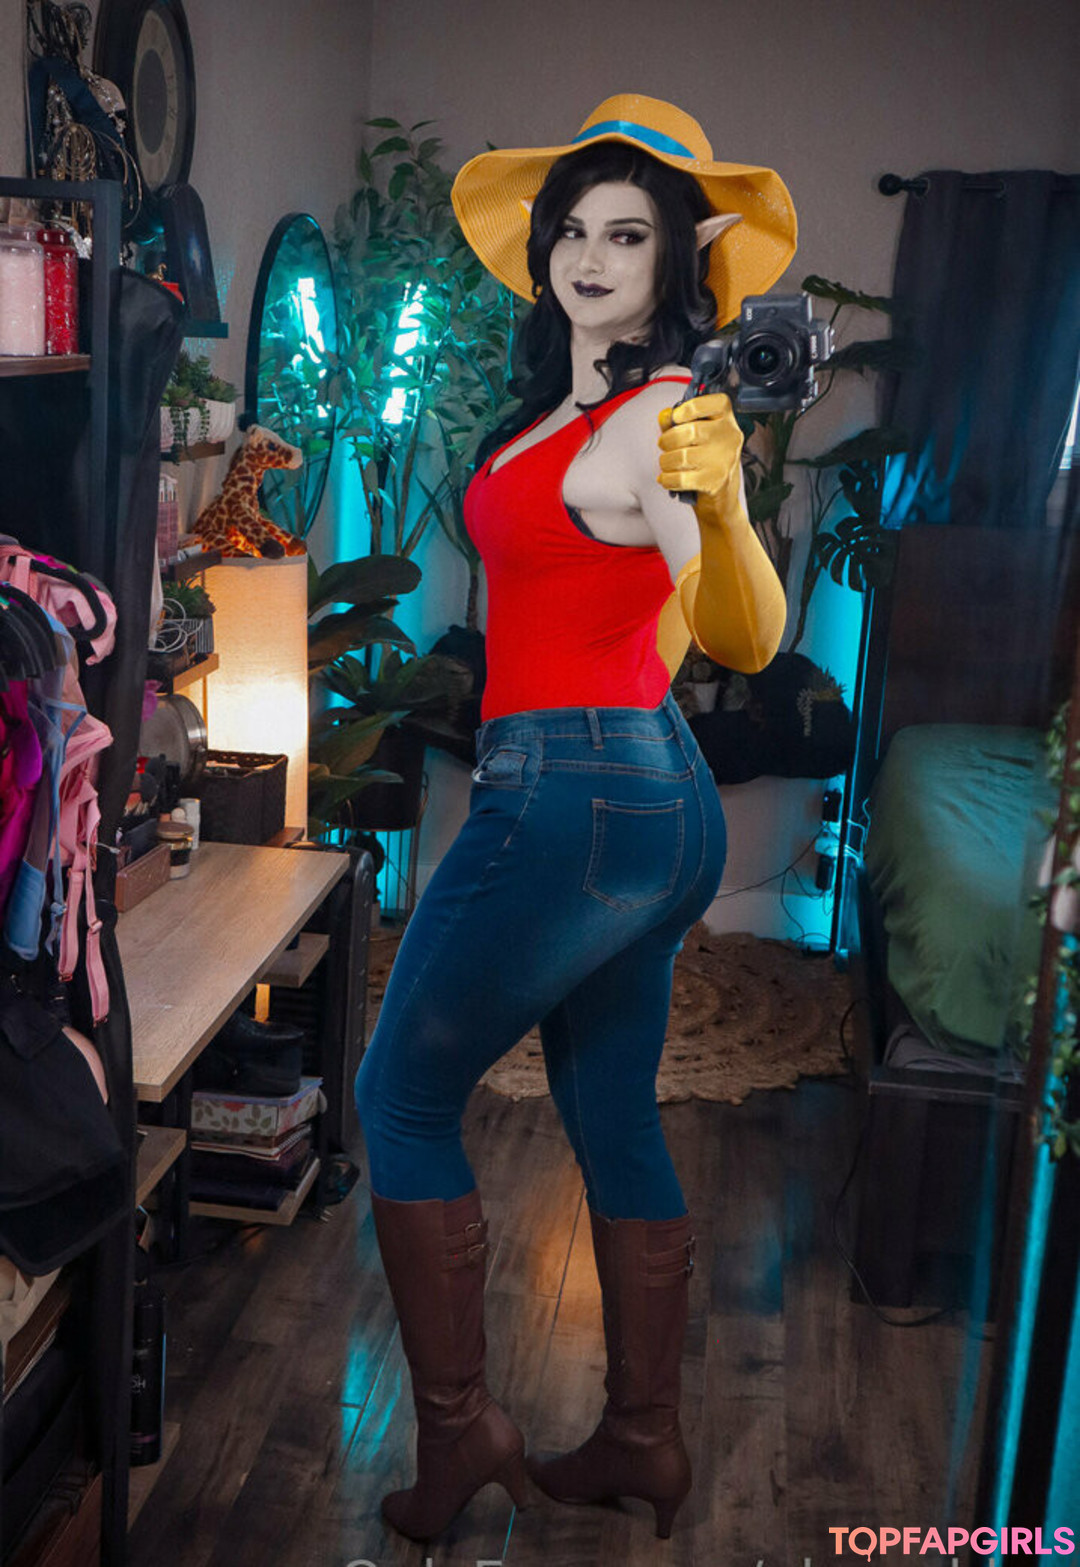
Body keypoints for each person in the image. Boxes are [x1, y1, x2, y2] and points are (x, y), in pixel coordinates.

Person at [354, 92, 796, 1543]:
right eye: (573, 232)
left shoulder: (666, 416)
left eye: (630, 235)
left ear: (680, 260)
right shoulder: (566, 407)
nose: (590, 258)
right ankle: (644, 1444)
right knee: (610, 1108)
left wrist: (720, 507)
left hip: (581, 792)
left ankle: (461, 1433)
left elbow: (744, 636)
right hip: (638, 794)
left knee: (397, 1097)